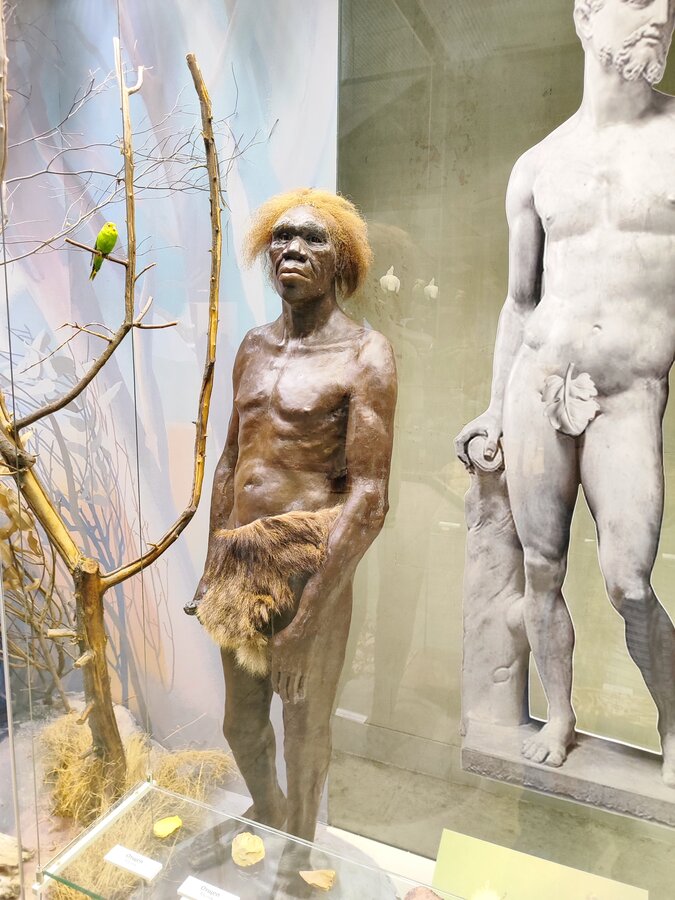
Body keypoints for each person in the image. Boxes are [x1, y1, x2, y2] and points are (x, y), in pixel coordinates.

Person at [455, 0, 675, 784]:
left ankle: (673, 719)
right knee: (541, 569)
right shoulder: (538, 164)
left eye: (667, 4)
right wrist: (492, 406)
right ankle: (560, 715)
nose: (659, 17)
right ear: (585, 17)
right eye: (637, 0)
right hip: (538, 382)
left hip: (629, 393)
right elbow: (519, 304)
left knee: (627, 580)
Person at [189, 189, 397, 847]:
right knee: (241, 724)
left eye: (311, 239)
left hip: (311, 569)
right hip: (239, 565)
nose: (292, 250)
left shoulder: (366, 354)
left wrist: (308, 618)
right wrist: (212, 567)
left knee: (305, 729)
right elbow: (230, 463)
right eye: (281, 237)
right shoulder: (253, 347)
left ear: (341, 259)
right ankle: (271, 814)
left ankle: (300, 855)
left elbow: (369, 496)